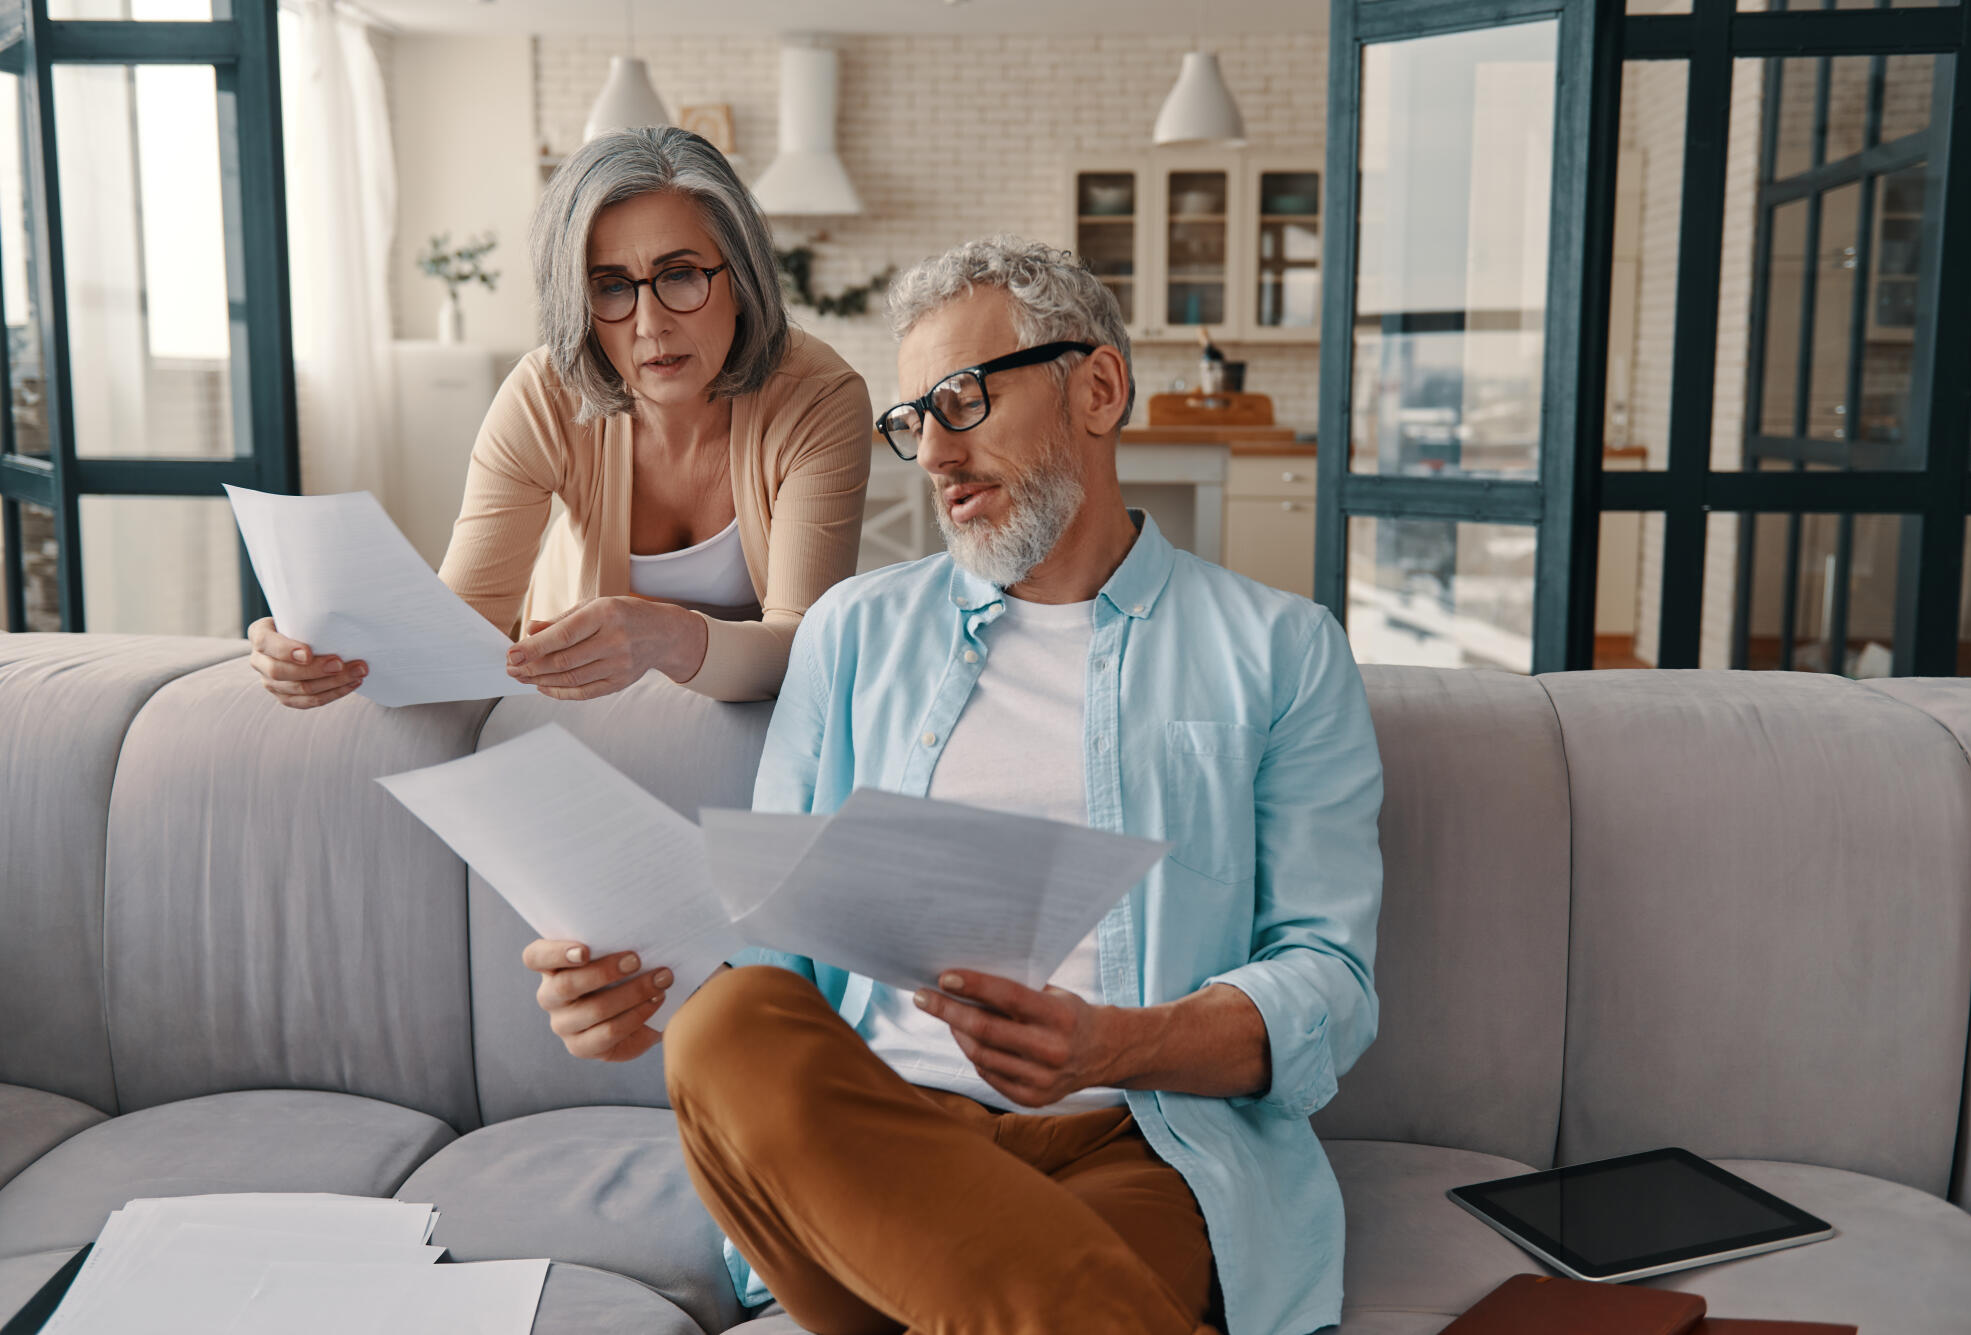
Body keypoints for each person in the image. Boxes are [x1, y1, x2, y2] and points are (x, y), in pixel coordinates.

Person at [521, 237, 1384, 1335]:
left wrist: (1111, 1045)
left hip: (1138, 1138)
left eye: (961, 401)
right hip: (871, 1136)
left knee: (1050, 1282)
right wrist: (632, 996)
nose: (929, 452)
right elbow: (761, 943)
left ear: (1099, 388)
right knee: (727, 1025)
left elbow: (1331, 984)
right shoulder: (851, 633)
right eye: (910, 420)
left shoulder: (1280, 651)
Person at [248, 127, 873, 708]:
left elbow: (805, 651)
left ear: (740, 278)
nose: (650, 324)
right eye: (610, 287)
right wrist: (318, 642)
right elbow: (463, 625)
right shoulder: (545, 393)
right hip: (578, 715)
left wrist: (671, 639)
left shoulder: (819, 397)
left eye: (680, 275)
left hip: (742, 727)